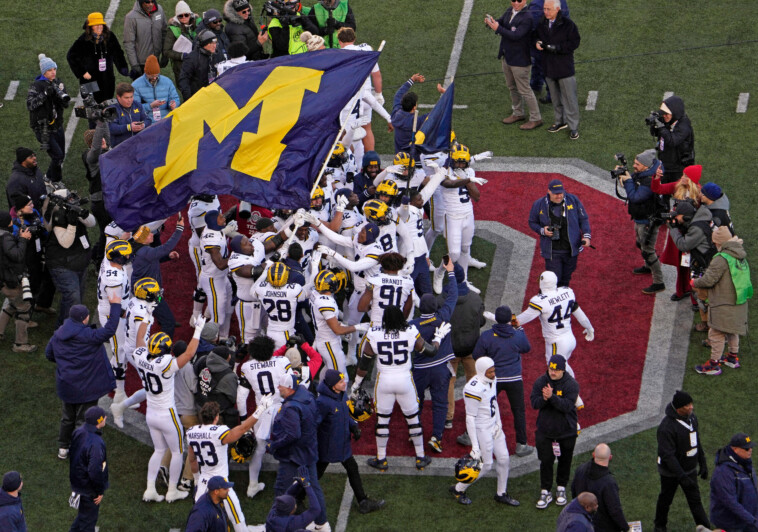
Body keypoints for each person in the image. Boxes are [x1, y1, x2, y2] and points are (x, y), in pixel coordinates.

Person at [351, 305, 450, 472]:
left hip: (384, 381)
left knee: (382, 420)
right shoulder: (410, 331)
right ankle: (420, 457)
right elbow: (431, 351)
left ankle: (381, 458)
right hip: (404, 379)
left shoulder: (374, 333)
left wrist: (356, 384)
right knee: (413, 418)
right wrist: (438, 337)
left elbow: (365, 362)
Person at [133, 316, 205, 503]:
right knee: (176, 452)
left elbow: (139, 340)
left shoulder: (141, 357)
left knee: (158, 450)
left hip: (151, 413)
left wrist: (145, 320)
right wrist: (198, 330)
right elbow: (188, 354)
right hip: (167, 414)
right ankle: (172, 491)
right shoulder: (165, 364)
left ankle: (150, 490)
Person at [45, 297, 120, 459]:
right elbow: (110, 329)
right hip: (87, 387)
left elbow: (49, 354)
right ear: (83, 319)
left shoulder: (58, 335)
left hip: (66, 385)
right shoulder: (90, 336)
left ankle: (63, 448)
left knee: (67, 418)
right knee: (83, 420)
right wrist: (115, 305)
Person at [516, 270, 593, 408]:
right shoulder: (567, 291)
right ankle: (573, 396)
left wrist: (503, 320)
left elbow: (520, 320)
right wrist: (589, 327)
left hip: (557, 342)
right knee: (563, 366)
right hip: (570, 338)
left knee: (557, 370)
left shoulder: (540, 301)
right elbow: (578, 311)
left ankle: (573, 397)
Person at [187, 401, 268, 532]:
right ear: (216, 417)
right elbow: (242, 428)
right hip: (221, 484)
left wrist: (196, 479)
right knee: (238, 520)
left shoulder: (192, 432)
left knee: (202, 521)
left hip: (203, 484)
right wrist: (260, 410)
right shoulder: (219, 431)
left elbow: (192, 460)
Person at [449, 357, 519, 506]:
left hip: (494, 425)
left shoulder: (492, 379)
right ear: (481, 372)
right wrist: (475, 446)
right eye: (490, 372)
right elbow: (470, 418)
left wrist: (498, 423)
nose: (493, 374)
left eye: (493, 370)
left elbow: (494, 401)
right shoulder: (473, 388)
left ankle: (501, 493)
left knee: (504, 458)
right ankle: (458, 489)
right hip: (482, 428)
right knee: (486, 465)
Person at [316, 369, 385, 514]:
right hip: (329, 445)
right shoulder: (322, 402)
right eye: (340, 382)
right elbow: (315, 424)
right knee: (316, 472)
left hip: (342, 443)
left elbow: (344, 414)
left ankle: (363, 501)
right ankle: (297, 496)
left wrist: (353, 426)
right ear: (332, 385)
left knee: (352, 468)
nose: (344, 383)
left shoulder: (340, 395)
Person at [268, 374, 329, 531]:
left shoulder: (291, 407)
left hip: (292, 455)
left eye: (281, 386)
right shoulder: (307, 395)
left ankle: (278, 524)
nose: (278, 388)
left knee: (281, 490)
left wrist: (274, 445)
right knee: (314, 486)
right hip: (309, 449)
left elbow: (292, 435)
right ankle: (322, 524)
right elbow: (316, 419)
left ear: (289, 388)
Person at [473, 305, 534, 457]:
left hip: (494, 378)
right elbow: (527, 348)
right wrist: (519, 329)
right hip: (514, 378)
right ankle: (521, 444)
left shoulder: (487, 336)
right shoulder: (517, 335)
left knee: (482, 407)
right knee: (518, 411)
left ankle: (469, 435)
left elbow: (477, 355)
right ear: (509, 320)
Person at [238, 335, 294, 499]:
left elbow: (241, 397)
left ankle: (252, 485)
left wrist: (244, 422)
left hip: (261, 412)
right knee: (289, 445)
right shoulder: (282, 362)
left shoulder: (247, 367)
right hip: (282, 409)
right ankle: (292, 483)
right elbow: (294, 384)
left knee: (258, 448)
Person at [410, 259, 456, 453]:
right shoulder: (443, 316)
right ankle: (436, 437)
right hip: (439, 369)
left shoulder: (412, 325)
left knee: (416, 403)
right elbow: (453, 296)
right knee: (440, 403)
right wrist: (451, 273)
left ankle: (416, 433)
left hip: (419, 370)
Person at [693, 226, 751, 375]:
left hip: (723, 302)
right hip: (739, 301)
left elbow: (708, 280)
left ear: (719, 242)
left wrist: (695, 283)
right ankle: (732, 358)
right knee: (732, 331)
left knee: (716, 333)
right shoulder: (740, 255)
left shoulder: (721, 259)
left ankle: (713, 365)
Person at [654, 390, 710, 531]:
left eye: (691, 403)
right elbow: (668, 456)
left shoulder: (692, 418)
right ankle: (659, 526)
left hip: (689, 469)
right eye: (687, 405)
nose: (691, 407)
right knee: (666, 499)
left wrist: (702, 461)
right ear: (678, 408)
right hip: (670, 473)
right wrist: (681, 476)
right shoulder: (666, 428)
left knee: (695, 501)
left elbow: (696, 440)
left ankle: (706, 528)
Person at [530, 354, 580, 509]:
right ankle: (545, 490)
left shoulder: (571, 384)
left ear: (563, 370)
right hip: (545, 430)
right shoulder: (541, 381)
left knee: (565, 461)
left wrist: (551, 397)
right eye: (551, 368)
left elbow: (566, 406)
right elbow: (534, 403)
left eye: (556, 370)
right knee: (545, 461)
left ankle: (561, 487)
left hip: (566, 431)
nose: (552, 372)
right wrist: (545, 399)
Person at [485, 0, 542, 130]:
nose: (515, 3)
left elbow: (516, 36)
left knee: (525, 90)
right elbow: (502, 22)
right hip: (507, 57)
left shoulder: (527, 17)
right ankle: (518, 113)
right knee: (512, 87)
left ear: (525, 1)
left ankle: (536, 118)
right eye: (513, 0)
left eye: (519, 1)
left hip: (520, 60)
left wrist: (498, 28)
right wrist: (492, 23)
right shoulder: (509, 11)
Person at [44, 189, 98, 327]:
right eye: (68, 199)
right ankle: (69, 333)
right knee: (74, 299)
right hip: (62, 264)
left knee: (74, 298)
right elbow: (66, 243)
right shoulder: (58, 216)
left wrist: (81, 214)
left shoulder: (73, 210)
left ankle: (64, 326)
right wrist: (72, 223)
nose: (71, 201)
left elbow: (92, 223)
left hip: (79, 261)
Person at [618, 149, 666, 294]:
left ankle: (659, 282)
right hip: (641, 218)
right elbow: (631, 182)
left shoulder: (649, 180)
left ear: (646, 166)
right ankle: (647, 266)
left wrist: (627, 181)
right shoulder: (643, 174)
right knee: (640, 244)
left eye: (637, 164)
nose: (634, 166)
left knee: (648, 251)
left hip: (647, 222)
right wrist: (624, 176)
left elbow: (635, 197)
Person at [528, 179, 591, 287]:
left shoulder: (573, 200)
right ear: (549, 191)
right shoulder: (539, 204)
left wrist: (586, 236)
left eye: (561, 193)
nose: (559, 196)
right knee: (553, 280)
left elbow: (583, 219)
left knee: (566, 279)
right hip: (553, 251)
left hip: (571, 250)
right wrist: (542, 231)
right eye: (556, 194)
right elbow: (532, 222)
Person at [131, 214, 185, 340]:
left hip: (148, 290)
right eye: (148, 234)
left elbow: (155, 258)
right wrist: (179, 229)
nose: (152, 235)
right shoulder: (145, 252)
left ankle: (161, 319)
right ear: (143, 239)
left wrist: (167, 257)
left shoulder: (142, 250)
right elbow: (166, 247)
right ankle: (162, 349)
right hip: (149, 294)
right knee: (169, 322)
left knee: (159, 306)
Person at [447, 264, 485, 436]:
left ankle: (448, 417)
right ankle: (475, 413)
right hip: (471, 347)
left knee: (449, 381)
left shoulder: (444, 299)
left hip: (451, 349)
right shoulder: (476, 299)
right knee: (475, 380)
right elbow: (482, 322)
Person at [535, 0, 581, 140]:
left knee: (570, 99)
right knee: (555, 98)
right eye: (544, 9)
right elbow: (535, 36)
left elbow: (574, 42)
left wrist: (557, 48)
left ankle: (573, 127)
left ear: (557, 9)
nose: (545, 12)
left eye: (548, 9)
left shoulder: (568, 24)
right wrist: (537, 42)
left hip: (564, 67)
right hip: (549, 67)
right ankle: (559, 121)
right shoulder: (542, 22)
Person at [67, 12, 129, 104]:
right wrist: (82, 72)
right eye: (96, 25)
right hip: (89, 80)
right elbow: (71, 56)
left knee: (107, 105)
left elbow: (118, 53)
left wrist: (122, 67)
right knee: (92, 108)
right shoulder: (83, 40)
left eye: (101, 24)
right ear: (90, 27)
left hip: (107, 78)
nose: (99, 27)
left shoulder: (110, 37)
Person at [26, 54, 70, 182]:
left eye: (54, 69)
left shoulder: (58, 83)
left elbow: (65, 104)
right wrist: (45, 94)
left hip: (57, 124)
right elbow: (30, 105)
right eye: (50, 70)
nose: (53, 72)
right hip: (42, 127)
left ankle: (50, 178)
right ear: (44, 72)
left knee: (60, 156)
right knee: (57, 156)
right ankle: (53, 180)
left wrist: (59, 96)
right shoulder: (36, 86)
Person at [571, 443, 629, 532]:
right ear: (610, 457)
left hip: (582, 520)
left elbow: (573, 490)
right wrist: (625, 527)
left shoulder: (581, 469)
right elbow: (614, 510)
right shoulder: (608, 482)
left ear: (593, 454)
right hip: (603, 526)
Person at [68, 406, 109, 532]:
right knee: (88, 523)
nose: (106, 418)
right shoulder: (96, 443)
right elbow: (94, 471)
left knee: (83, 517)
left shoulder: (78, 431)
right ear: (99, 421)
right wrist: (99, 491)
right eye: (104, 417)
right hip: (89, 489)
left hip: (78, 482)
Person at [0, 211, 35, 352]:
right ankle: (20, 344)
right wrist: (23, 239)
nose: (11, 223)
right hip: (10, 279)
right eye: (10, 221)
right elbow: (17, 255)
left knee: (11, 305)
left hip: (3, 279)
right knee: (24, 308)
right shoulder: (5, 237)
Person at [710, 433, 758, 532]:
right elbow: (730, 502)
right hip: (733, 524)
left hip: (748, 519)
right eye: (746, 449)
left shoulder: (745, 463)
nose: (750, 450)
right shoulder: (723, 472)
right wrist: (753, 521)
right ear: (735, 449)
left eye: (751, 447)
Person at [82, 119, 113, 265]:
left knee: (108, 232)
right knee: (108, 232)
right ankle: (99, 260)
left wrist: (105, 119)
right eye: (97, 140)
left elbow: (106, 138)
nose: (102, 141)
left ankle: (95, 255)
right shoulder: (92, 158)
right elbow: (96, 149)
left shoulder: (106, 150)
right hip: (101, 202)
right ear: (91, 144)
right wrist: (100, 123)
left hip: (107, 199)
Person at [650, 95, 695, 184]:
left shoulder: (684, 126)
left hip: (678, 168)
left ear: (675, 112)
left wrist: (661, 127)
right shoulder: (667, 120)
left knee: (678, 194)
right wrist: (654, 125)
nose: (664, 116)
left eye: (667, 114)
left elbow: (672, 141)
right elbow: (655, 133)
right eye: (663, 113)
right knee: (661, 191)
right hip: (665, 164)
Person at [265, 467, 323, 531]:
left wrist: (298, 484)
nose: (295, 504)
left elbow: (288, 494)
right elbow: (315, 509)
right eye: (294, 504)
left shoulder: (274, 512)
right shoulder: (292, 524)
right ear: (291, 510)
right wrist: (307, 485)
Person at [123, 0, 168, 80]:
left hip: (155, 60)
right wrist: (134, 65)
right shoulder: (131, 17)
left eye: (152, 1)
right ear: (141, 2)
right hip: (141, 63)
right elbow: (129, 43)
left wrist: (165, 54)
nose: (150, 4)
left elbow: (164, 32)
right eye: (147, 2)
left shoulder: (159, 10)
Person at [131, 54, 180, 122]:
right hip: (147, 120)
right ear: (146, 73)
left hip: (166, 119)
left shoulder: (167, 82)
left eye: (156, 75)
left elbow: (175, 98)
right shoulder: (136, 85)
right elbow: (134, 108)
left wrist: (174, 104)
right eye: (151, 76)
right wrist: (150, 106)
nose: (154, 78)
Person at [163, 2, 201, 84]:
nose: (184, 17)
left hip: (198, 64)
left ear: (190, 14)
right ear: (177, 17)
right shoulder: (172, 30)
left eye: (186, 15)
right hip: (181, 67)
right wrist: (182, 56)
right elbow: (166, 51)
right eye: (180, 16)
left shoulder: (199, 24)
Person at [179, 30, 219, 101]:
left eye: (215, 43)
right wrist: (189, 99)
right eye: (212, 43)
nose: (215, 46)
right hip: (197, 98)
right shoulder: (191, 59)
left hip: (213, 96)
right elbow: (184, 80)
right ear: (204, 44)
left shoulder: (215, 55)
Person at [108, 82, 150, 147]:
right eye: (126, 98)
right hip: (119, 147)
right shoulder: (112, 108)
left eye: (131, 97)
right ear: (118, 97)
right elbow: (111, 128)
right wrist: (129, 127)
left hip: (138, 145)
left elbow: (148, 120)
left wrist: (143, 125)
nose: (130, 100)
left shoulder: (137, 105)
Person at [6, 148, 46, 212]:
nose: (34, 158)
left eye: (34, 155)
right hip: (29, 217)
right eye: (31, 157)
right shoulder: (16, 180)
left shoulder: (36, 171)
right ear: (23, 161)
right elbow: (17, 206)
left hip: (42, 211)